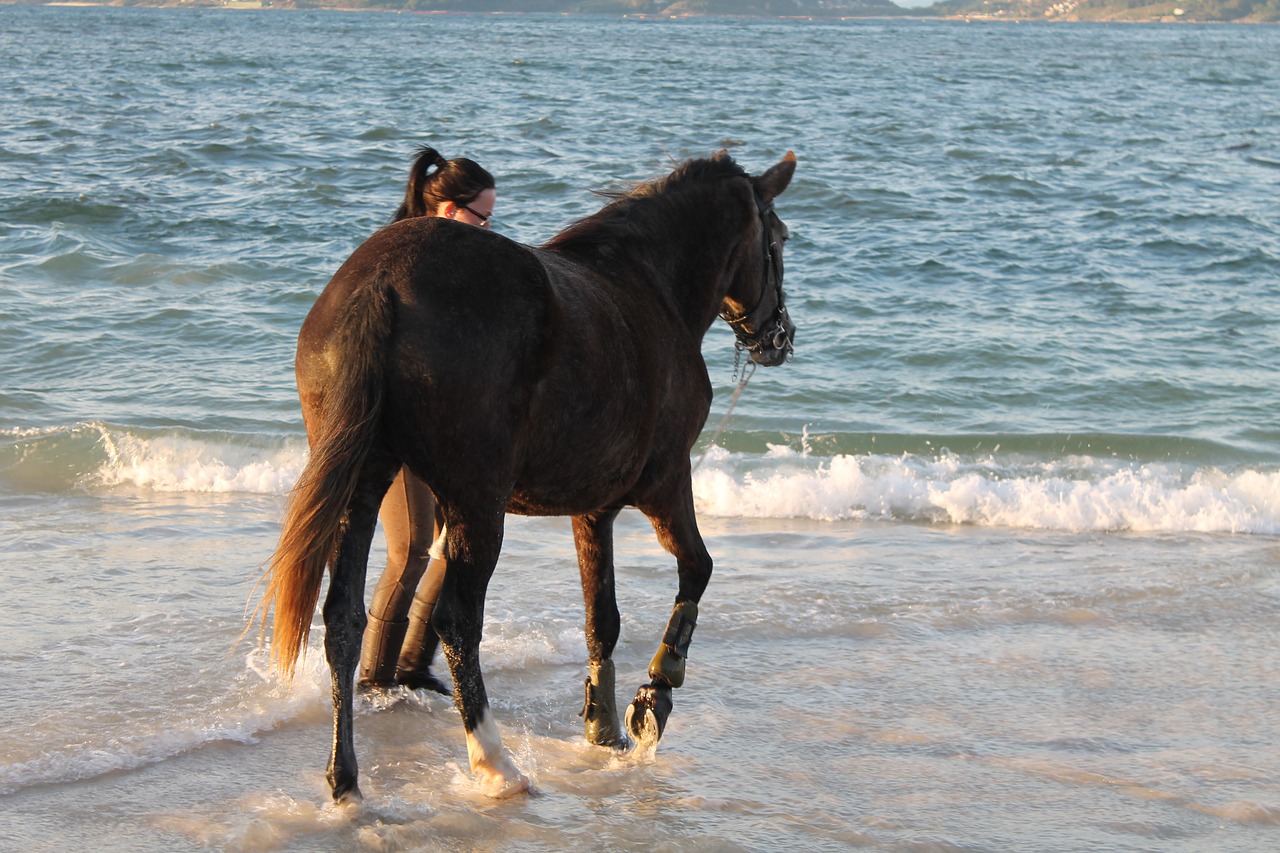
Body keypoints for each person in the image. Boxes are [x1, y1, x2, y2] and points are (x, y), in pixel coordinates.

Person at [358, 145, 497, 694]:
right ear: (448, 213)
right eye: (482, 216)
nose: (488, 228)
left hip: (443, 427)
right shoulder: (402, 266)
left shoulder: (455, 265)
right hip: (390, 425)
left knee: (455, 543)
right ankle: (373, 678)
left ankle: (413, 665)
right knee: (412, 548)